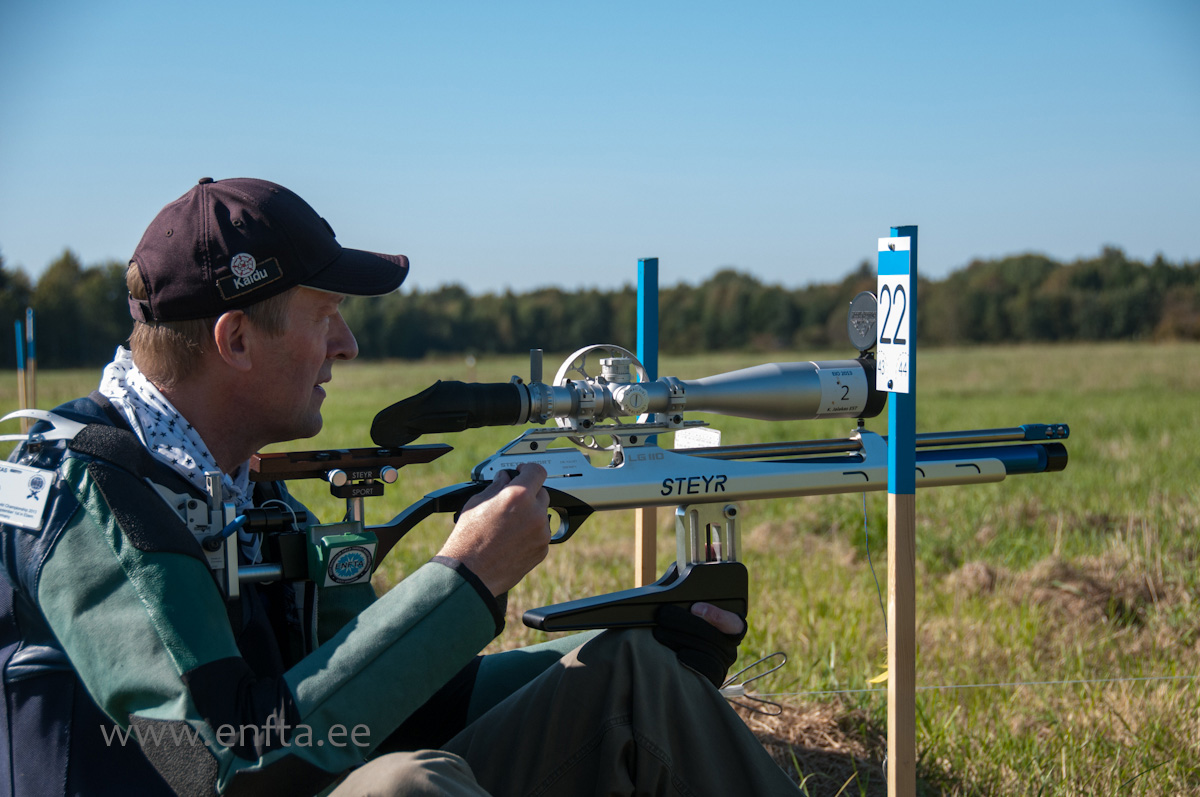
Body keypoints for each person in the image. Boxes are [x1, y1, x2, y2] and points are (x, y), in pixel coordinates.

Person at [0, 177, 798, 796]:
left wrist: (636, 636)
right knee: (405, 786)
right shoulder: (82, 499)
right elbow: (219, 766)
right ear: (235, 339)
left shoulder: (242, 491)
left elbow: (387, 701)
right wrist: (463, 581)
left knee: (629, 673)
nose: (344, 344)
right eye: (326, 317)